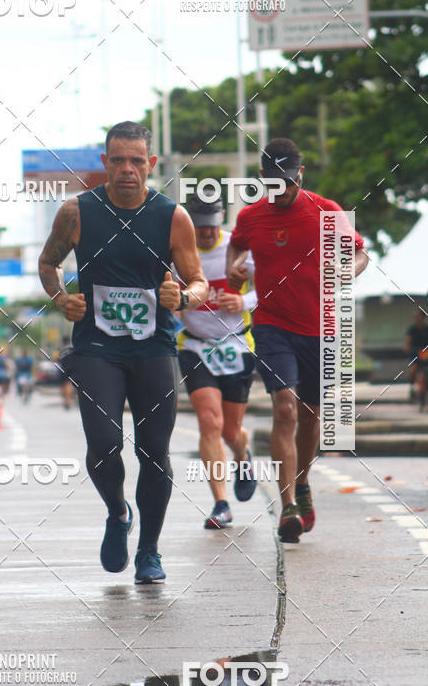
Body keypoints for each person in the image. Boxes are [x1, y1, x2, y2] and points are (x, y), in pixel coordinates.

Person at [38, 120, 208, 583]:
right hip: (96, 347)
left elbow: (198, 278)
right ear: (105, 163)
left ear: (151, 164)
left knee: (155, 451)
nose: (127, 169)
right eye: (118, 160)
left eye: (137, 161)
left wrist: (186, 298)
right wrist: (60, 300)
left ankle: (149, 552)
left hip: (153, 347)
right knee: (103, 445)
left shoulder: (172, 216)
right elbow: (48, 261)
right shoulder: (76, 212)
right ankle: (118, 512)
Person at [226, 137, 368, 543]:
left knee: (310, 417)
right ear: (262, 179)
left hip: (321, 327)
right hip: (272, 326)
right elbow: (237, 244)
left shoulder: (328, 211)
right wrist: (235, 268)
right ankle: (287, 505)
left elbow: (361, 254)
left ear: (300, 176)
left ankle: (302, 483)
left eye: (287, 182)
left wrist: (348, 272)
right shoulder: (252, 217)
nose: (281, 190)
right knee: (284, 409)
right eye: (273, 183)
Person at [177, 193, 258, 530]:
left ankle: (243, 456)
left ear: (221, 219)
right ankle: (221, 503)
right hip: (195, 346)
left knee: (230, 429)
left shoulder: (238, 250)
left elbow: (269, 289)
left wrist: (242, 301)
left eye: (212, 227)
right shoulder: (178, 253)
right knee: (209, 421)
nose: (207, 234)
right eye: (200, 228)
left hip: (237, 344)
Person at [403, 308, 428, 402]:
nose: (417, 318)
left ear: (423, 317)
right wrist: (407, 348)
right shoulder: (412, 329)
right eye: (415, 317)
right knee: (412, 369)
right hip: (415, 353)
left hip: (426, 353)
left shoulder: (426, 329)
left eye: (419, 316)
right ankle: (412, 387)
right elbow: (407, 343)